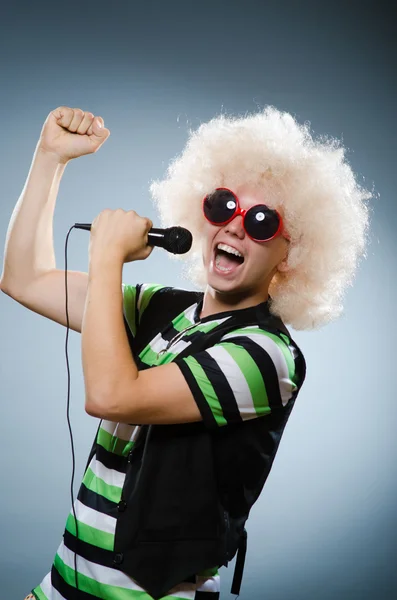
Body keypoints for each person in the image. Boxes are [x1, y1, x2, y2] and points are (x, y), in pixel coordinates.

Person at [0, 106, 370, 600]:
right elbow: (23, 278)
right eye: (223, 205)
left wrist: (108, 256)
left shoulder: (267, 357)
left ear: (291, 252)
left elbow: (111, 395)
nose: (236, 227)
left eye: (261, 220)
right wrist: (50, 158)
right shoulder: (160, 308)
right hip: (61, 586)